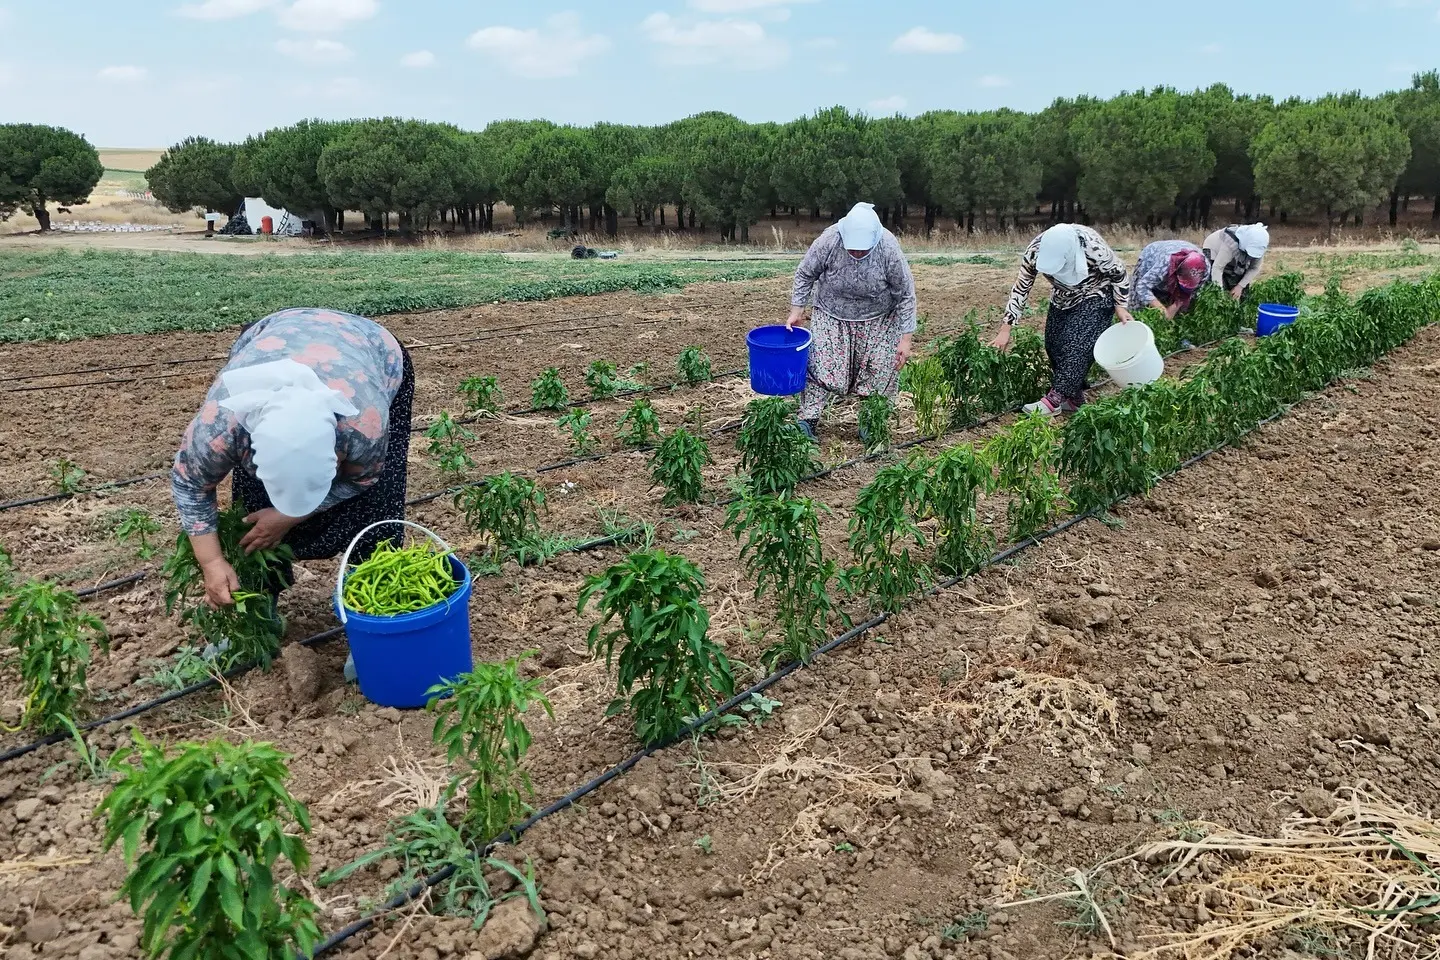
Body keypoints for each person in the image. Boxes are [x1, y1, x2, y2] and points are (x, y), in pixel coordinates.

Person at [171, 307, 415, 672]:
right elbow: (189, 484)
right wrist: (213, 562)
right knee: (252, 516)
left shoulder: (364, 424)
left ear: (337, 450)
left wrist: (289, 515)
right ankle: (255, 624)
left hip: (367, 351)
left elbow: (363, 479)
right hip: (276, 338)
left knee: (375, 514)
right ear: (251, 452)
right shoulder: (221, 428)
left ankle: (373, 627)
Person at [785, 202, 918, 439]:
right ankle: (808, 419)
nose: (856, 254)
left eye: (862, 250)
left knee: (879, 368)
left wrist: (906, 339)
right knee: (819, 364)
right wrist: (797, 309)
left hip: (878, 318)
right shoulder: (830, 239)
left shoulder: (888, 248)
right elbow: (805, 273)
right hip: (831, 314)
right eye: (852, 249)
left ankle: (871, 423)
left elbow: (905, 294)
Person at [989, 224, 1132, 416]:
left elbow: (1119, 273)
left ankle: (1053, 400)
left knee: (1078, 345)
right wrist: (1005, 329)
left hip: (1096, 293)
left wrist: (1120, 306)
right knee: (1054, 344)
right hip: (1063, 296)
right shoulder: (1035, 251)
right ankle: (1074, 399)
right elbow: (1021, 288)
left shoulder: (1092, 247)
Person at [1128, 239, 1210, 320]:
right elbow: (1142, 287)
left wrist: (1176, 306)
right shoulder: (1164, 264)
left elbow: (1190, 294)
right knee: (1138, 306)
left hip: (1172, 258)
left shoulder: (1205, 269)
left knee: (1180, 311)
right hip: (1151, 256)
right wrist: (1162, 310)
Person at [1203, 223, 1269, 299]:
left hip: (1233, 257)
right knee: (1212, 284)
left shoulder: (1259, 246)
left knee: (1241, 294)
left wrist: (1240, 287)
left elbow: (1254, 268)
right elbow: (1217, 268)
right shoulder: (1230, 244)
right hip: (1214, 249)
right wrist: (1219, 294)